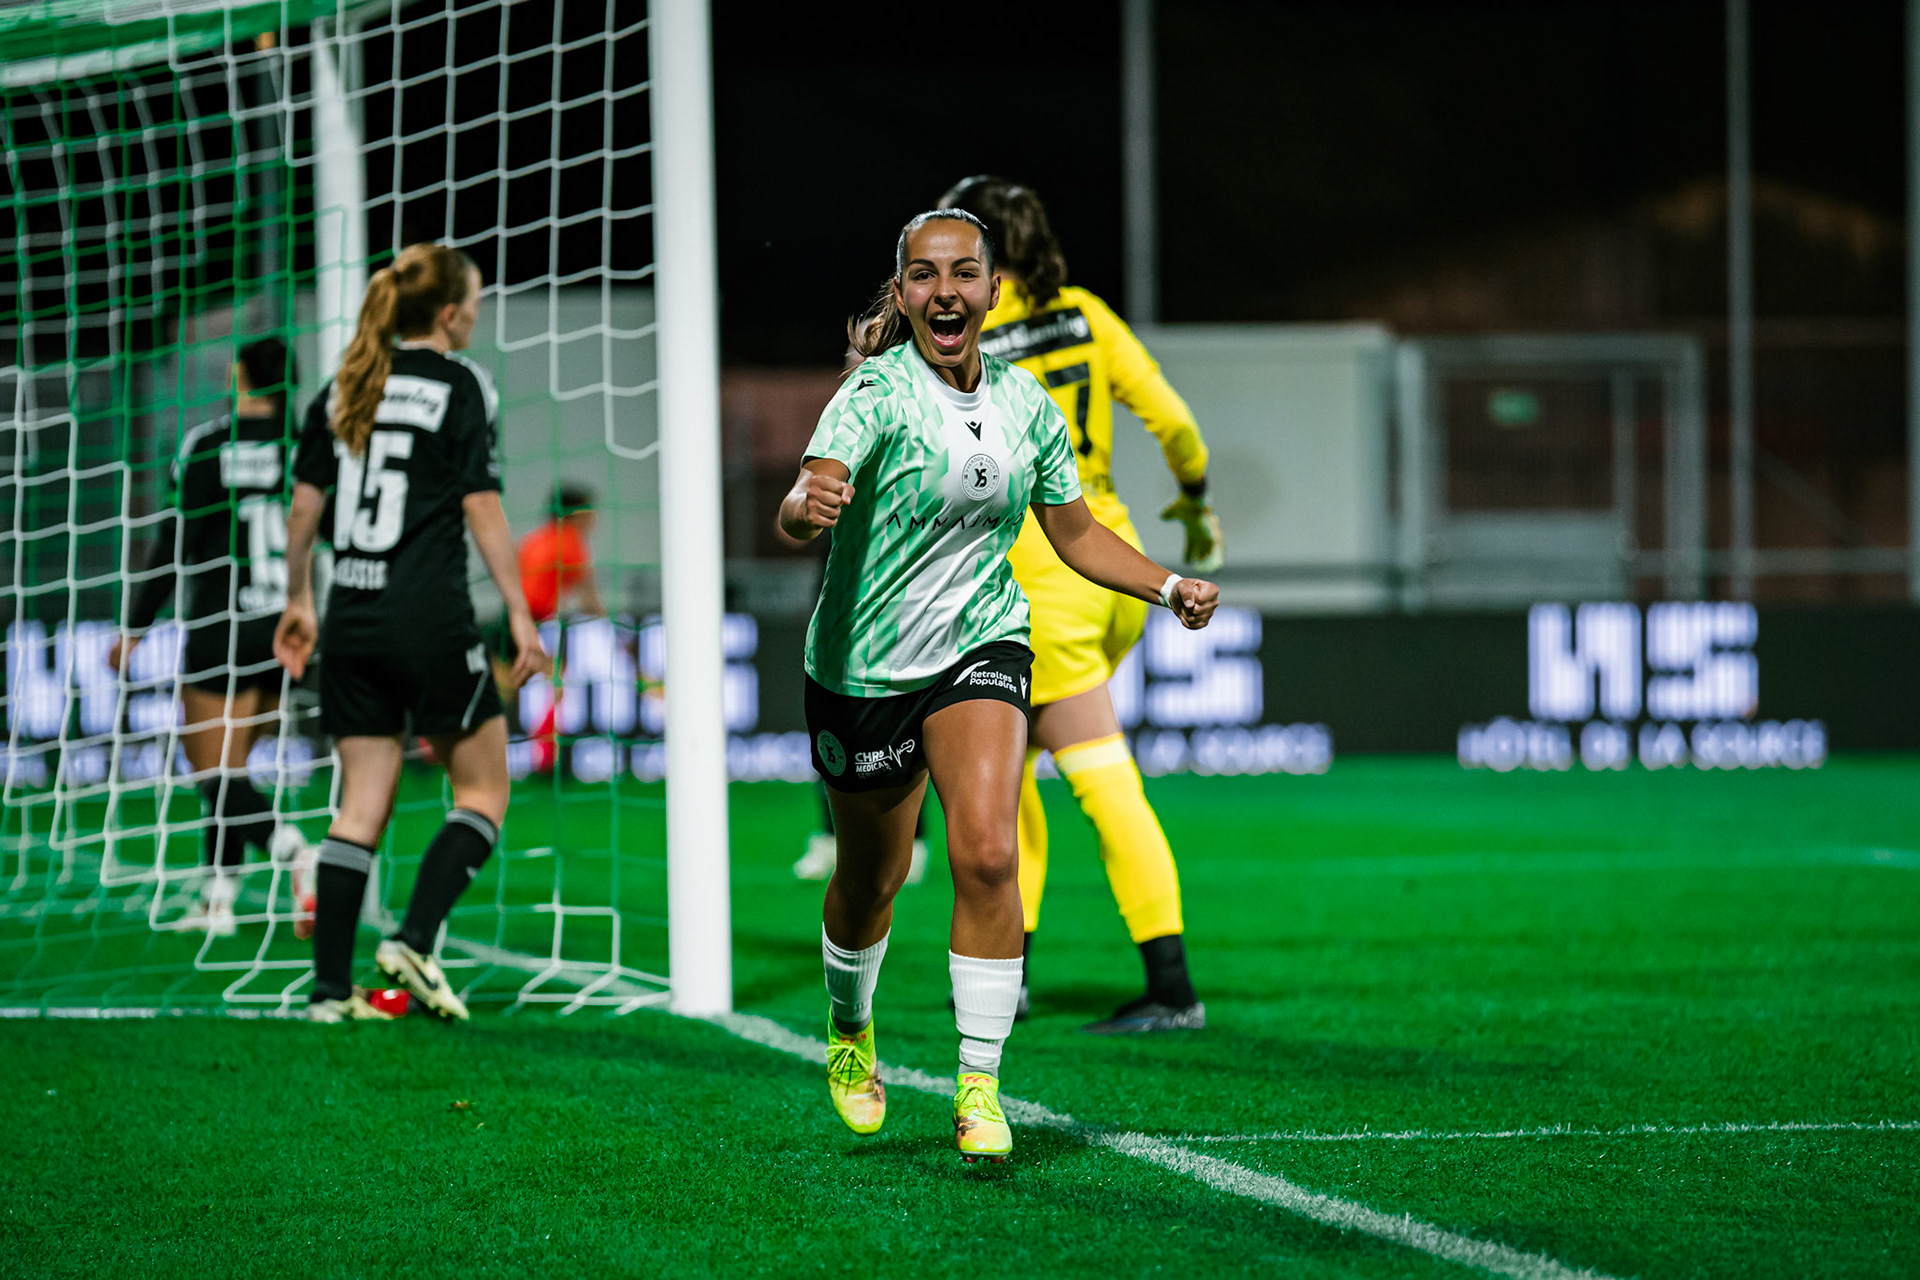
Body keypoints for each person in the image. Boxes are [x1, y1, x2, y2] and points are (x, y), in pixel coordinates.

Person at [779, 209, 1217, 1162]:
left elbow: (1076, 532)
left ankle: (980, 1085)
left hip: (983, 645)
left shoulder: (1025, 404)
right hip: (865, 665)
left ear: (990, 291)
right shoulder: (873, 398)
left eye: (965, 273)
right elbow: (806, 493)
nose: (946, 290)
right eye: (926, 275)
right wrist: (802, 507)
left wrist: (1169, 582)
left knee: (986, 855)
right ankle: (850, 1032)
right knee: (873, 878)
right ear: (903, 295)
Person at [940, 176, 1221, 1034]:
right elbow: (1175, 423)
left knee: (1096, 776)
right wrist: (1195, 500)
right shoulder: (1088, 314)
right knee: (1011, 767)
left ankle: (1171, 987)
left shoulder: (971, 332)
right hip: (1116, 561)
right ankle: (1010, 969)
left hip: (1040, 576)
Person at [274, 242, 547, 1023]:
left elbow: (303, 511)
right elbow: (481, 504)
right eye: (478, 301)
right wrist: (520, 614)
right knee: (485, 790)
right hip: (428, 618)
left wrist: (301, 599)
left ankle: (329, 993)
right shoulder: (463, 384)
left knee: (359, 806)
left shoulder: (343, 385)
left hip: (350, 619)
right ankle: (414, 941)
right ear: (452, 312)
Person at [110, 337, 315, 937]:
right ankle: (217, 899)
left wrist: (135, 628)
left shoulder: (206, 446)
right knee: (233, 770)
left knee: (212, 774)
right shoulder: (303, 450)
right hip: (281, 627)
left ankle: (293, 851)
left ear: (239, 375)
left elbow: (172, 544)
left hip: (220, 625)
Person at [515, 482, 604, 772]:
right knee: (556, 686)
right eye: (589, 511)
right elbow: (588, 597)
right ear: (574, 514)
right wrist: (609, 623)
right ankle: (546, 760)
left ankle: (431, 749)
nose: (594, 519)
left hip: (513, 619)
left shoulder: (534, 539)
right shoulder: (569, 542)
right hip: (537, 621)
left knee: (507, 685)